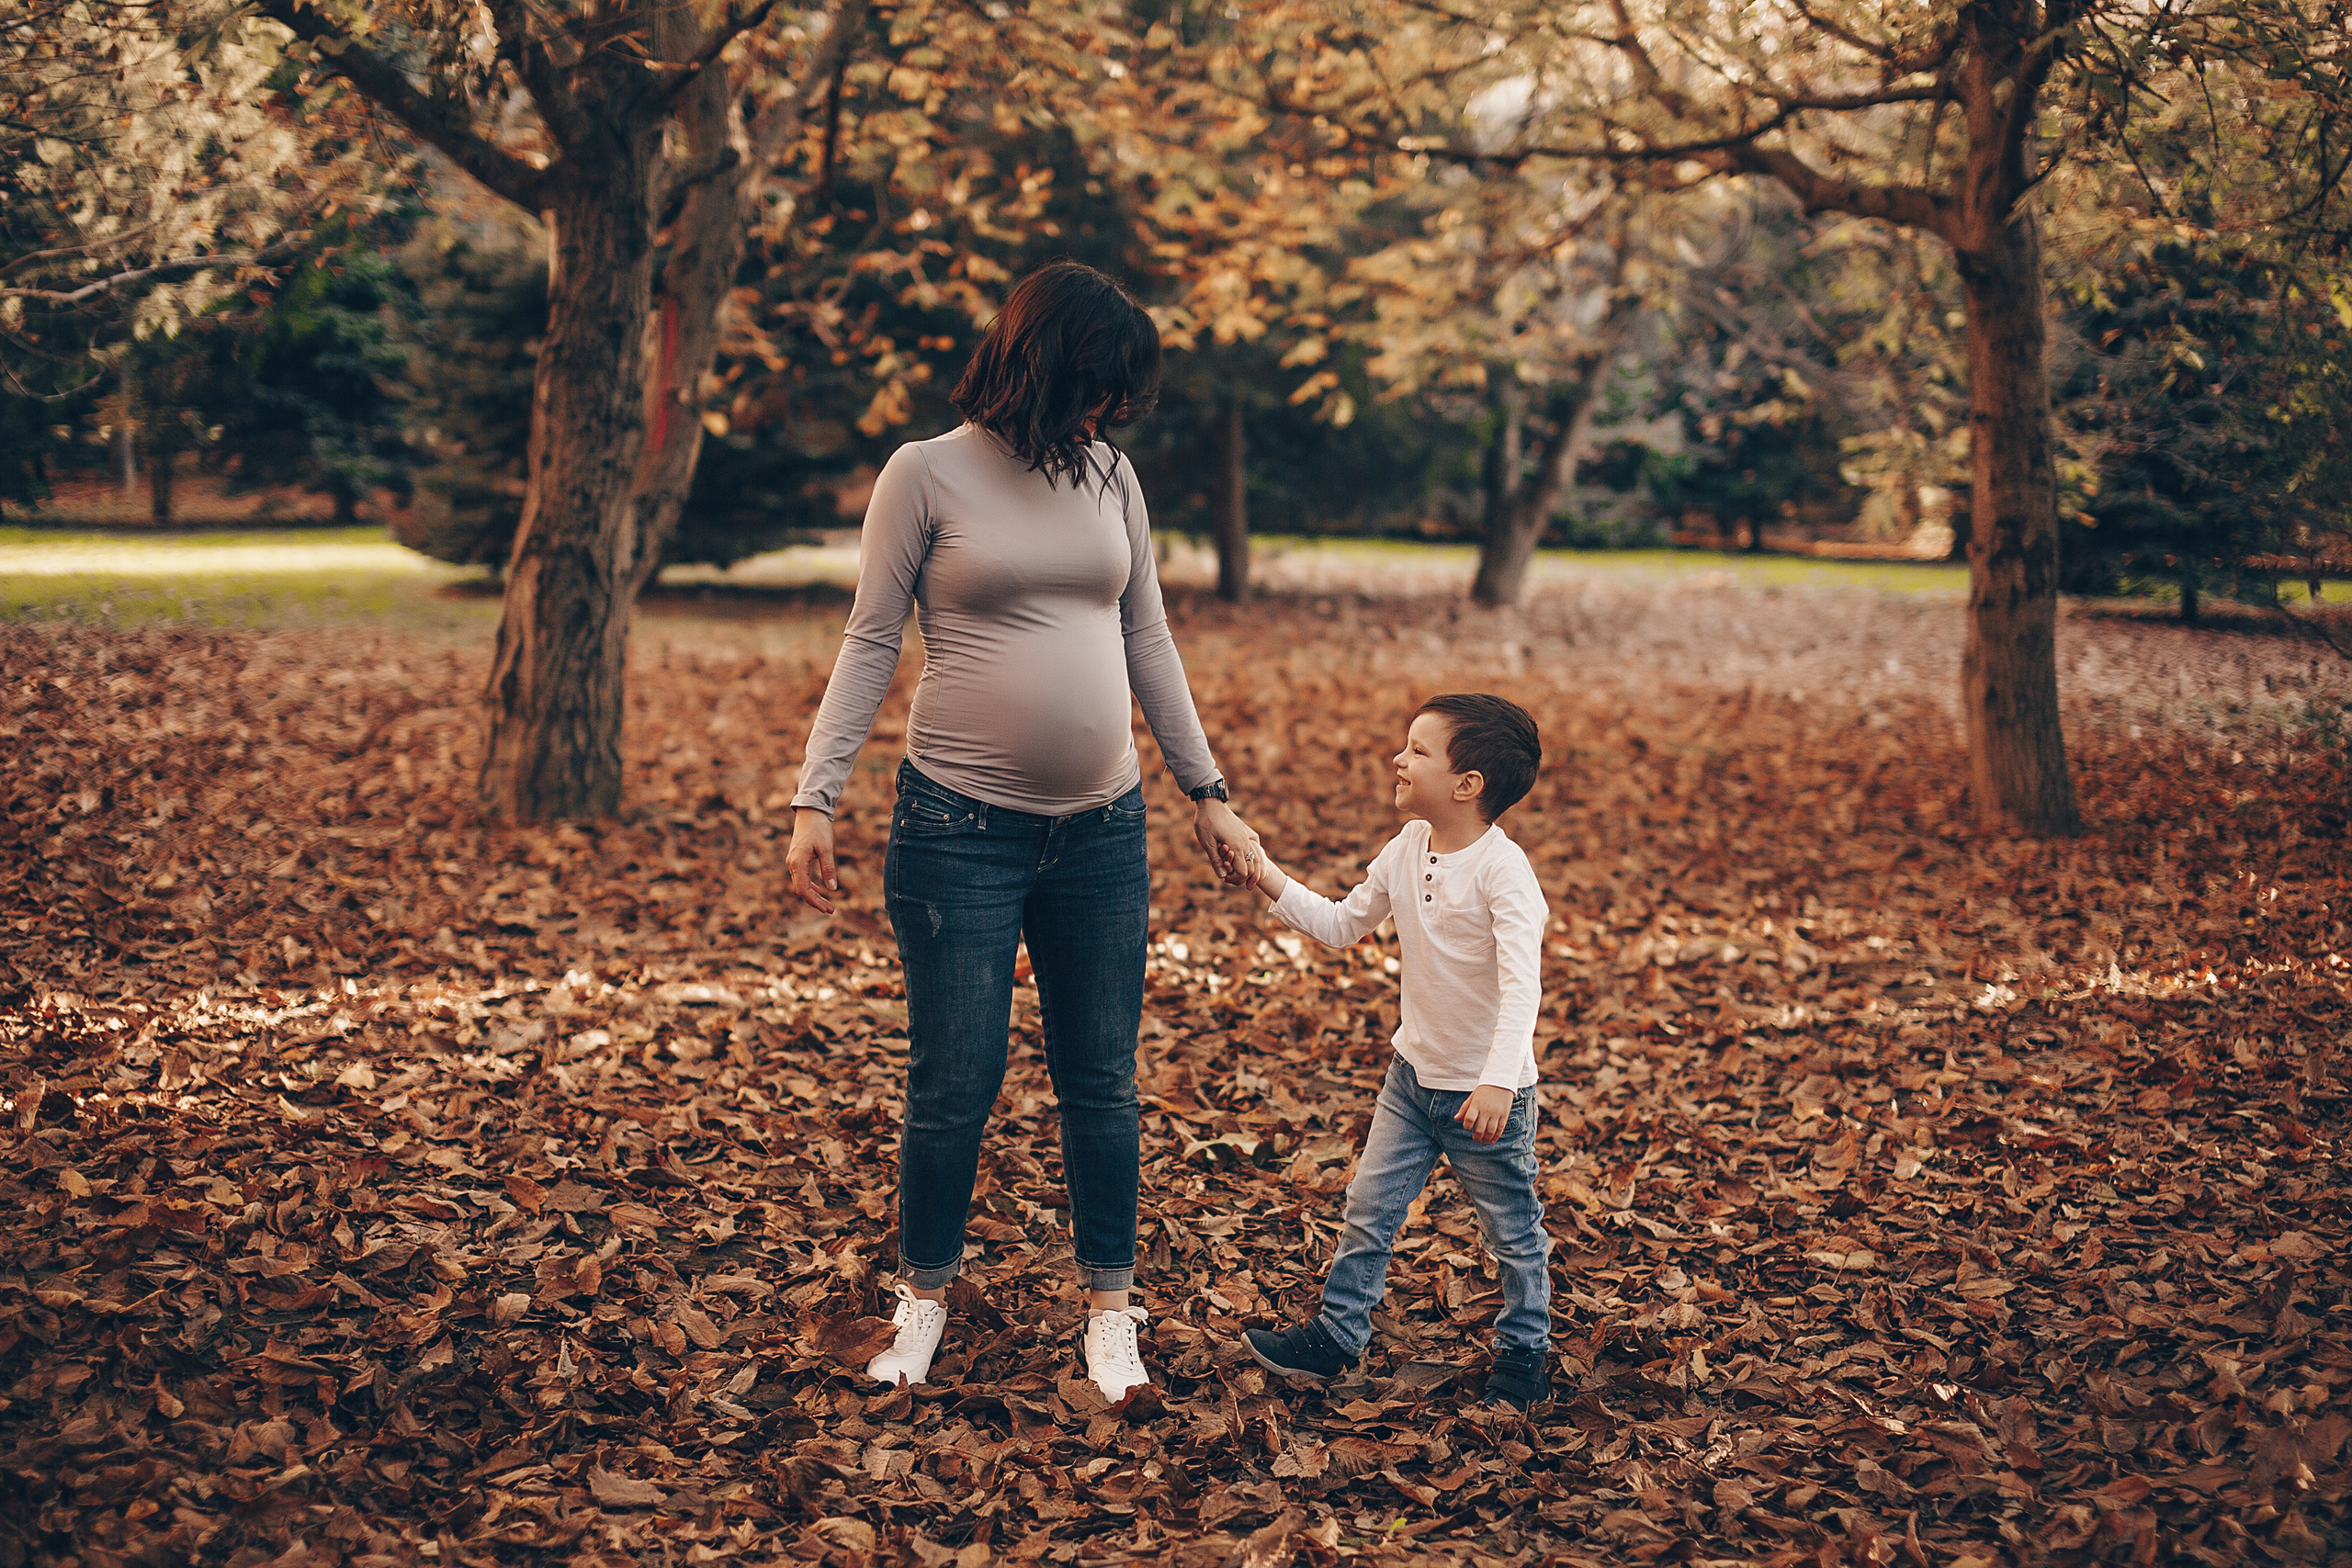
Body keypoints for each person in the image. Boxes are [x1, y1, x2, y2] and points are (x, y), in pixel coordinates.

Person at [785, 261, 1261, 1404]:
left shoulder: (1111, 474)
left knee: (1101, 1078)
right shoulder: (925, 473)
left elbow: (1147, 636)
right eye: (1097, 388)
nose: (1109, 412)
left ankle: (1110, 1311)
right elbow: (869, 639)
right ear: (1044, 366)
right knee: (955, 1078)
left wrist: (1206, 788)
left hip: (1103, 832)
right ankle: (923, 1298)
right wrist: (815, 796)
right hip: (957, 828)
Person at [1236, 694, 1555, 1411]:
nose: (1398, 758)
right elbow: (1341, 924)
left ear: (1466, 783)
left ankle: (1525, 1350)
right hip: (1411, 1081)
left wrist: (1498, 1082)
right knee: (1367, 1207)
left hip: (1486, 1100)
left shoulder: (1504, 873)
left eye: (1417, 749)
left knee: (1511, 1231)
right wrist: (1264, 874)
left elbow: (1522, 986)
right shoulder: (1407, 846)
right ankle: (1336, 1334)